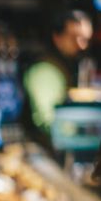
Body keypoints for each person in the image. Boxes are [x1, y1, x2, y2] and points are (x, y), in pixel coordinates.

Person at [23, 8, 93, 143]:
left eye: (86, 39)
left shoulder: (69, 65)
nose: (82, 45)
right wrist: (86, 131)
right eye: (74, 37)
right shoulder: (45, 70)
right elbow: (47, 121)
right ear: (57, 37)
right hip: (46, 153)